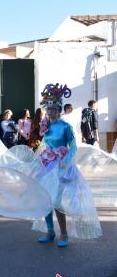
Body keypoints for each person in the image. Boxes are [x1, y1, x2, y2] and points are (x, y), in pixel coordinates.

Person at [34, 84, 101, 247]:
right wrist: (39, 157)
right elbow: (46, 144)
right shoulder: (46, 126)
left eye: (52, 110)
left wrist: (66, 161)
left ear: (58, 110)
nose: (49, 112)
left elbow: (73, 146)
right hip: (48, 164)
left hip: (62, 167)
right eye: (47, 109)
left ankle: (64, 235)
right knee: (45, 199)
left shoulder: (66, 127)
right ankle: (50, 232)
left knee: (56, 200)